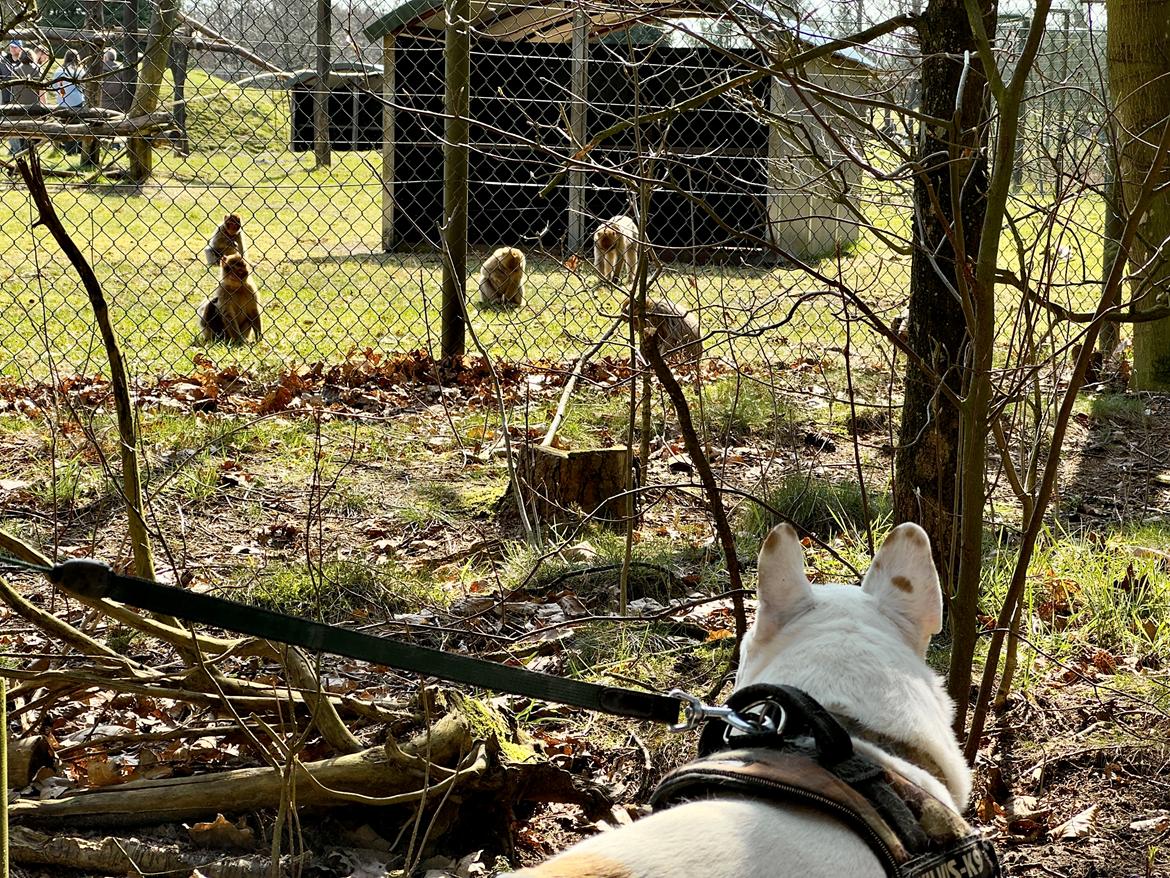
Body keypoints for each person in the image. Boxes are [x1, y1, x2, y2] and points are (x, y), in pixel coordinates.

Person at [52, 49, 84, 155]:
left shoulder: (58, 71)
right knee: (77, 125)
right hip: (77, 101)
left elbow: (54, 86)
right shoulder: (79, 71)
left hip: (62, 101)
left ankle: (68, 148)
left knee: (65, 125)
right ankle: (76, 149)